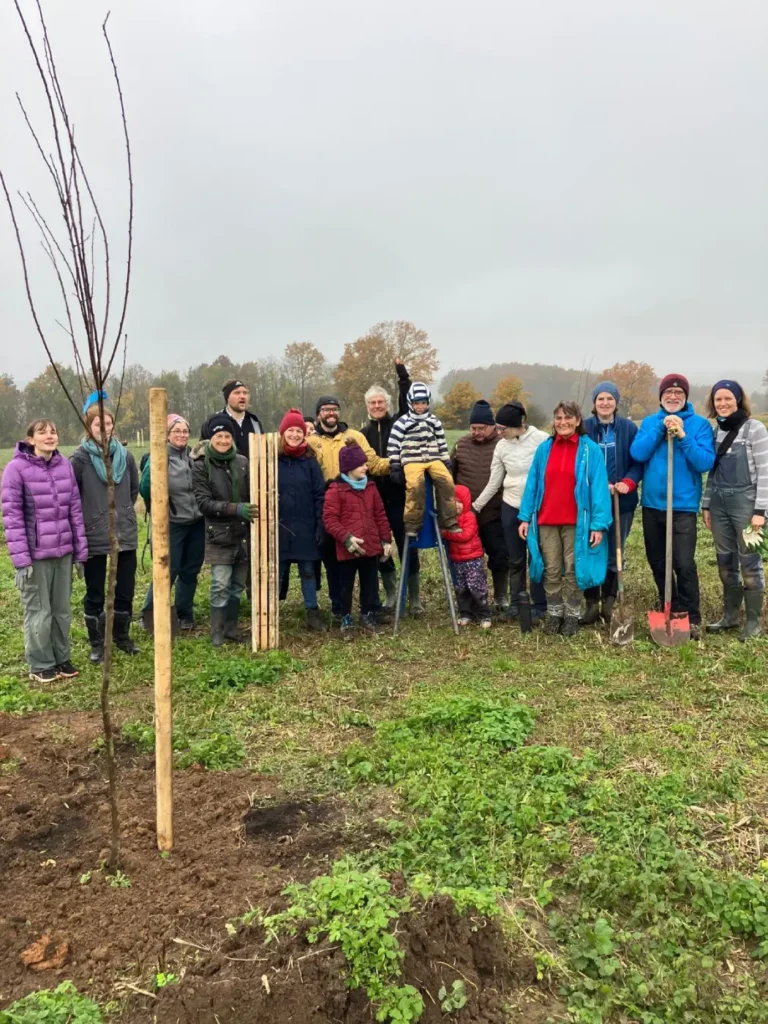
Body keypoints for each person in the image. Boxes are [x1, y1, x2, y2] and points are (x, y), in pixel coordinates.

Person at [2, 419, 88, 682]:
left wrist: (79, 551)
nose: (49, 436)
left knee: (61, 610)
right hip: (35, 555)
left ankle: (62, 658)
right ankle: (40, 663)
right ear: (31, 439)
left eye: (53, 431)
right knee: (39, 611)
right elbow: (12, 516)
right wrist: (21, 560)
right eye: (42, 432)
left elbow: (74, 508)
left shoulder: (65, 466)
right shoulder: (16, 469)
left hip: (63, 552)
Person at [630, 373, 715, 640]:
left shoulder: (699, 425)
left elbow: (704, 463)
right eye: (668, 393)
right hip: (653, 504)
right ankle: (672, 608)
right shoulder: (649, 422)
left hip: (683, 506)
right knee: (657, 560)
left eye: (679, 393)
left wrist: (682, 435)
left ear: (686, 397)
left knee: (683, 562)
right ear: (661, 396)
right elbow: (638, 453)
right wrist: (659, 430)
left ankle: (692, 616)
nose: (673, 397)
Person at [518, 401, 611, 637]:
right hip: (547, 519)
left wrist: (598, 524)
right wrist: (525, 516)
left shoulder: (590, 450)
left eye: (568, 417)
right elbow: (533, 484)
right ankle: (554, 613)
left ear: (578, 420)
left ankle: (571, 615)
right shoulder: (544, 449)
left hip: (576, 522)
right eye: (558, 418)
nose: (563, 422)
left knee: (572, 569)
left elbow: (599, 489)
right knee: (551, 568)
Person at [308, 395, 390, 619]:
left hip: (358, 499)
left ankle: (371, 607)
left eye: (334, 409)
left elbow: (372, 462)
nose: (331, 413)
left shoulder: (354, 436)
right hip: (328, 504)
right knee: (334, 561)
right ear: (319, 414)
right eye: (326, 409)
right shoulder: (311, 441)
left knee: (366, 560)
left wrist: (397, 464)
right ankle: (340, 608)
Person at [71, 406, 140, 662]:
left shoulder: (125, 456)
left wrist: (122, 512)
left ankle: (121, 637)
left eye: (108, 423)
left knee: (125, 588)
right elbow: (73, 497)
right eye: (99, 424)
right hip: (94, 534)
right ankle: (97, 643)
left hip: (125, 532)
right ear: (89, 427)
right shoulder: (79, 460)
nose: (105, 428)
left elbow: (133, 489)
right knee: (95, 591)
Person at [702, 380, 768, 641]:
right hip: (719, 505)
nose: (723, 403)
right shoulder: (715, 431)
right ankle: (730, 617)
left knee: (750, 562)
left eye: (728, 398)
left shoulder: (755, 429)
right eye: (718, 399)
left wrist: (760, 511)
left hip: (748, 505)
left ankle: (753, 622)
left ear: (739, 400)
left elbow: (765, 472)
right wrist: (706, 504)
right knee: (725, 561)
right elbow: (712, 472)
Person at [472, 402, 549, 622]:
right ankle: (516, 603)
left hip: (536, 508)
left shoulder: (541, 440)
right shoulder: (502, 446)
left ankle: (539, 604)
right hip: (511, 506)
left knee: (536, 557)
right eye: (497, 427)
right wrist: (475, 507)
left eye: (503, 428)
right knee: (515, 558)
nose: (498, 432)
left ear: (519, 425)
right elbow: (494, 481)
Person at [362, 361, 423, 616]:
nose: (377, 406)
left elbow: (405, 401)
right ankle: (390, 595)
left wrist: (402, 377)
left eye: (380, 402)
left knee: (408, 544)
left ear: (387, 405)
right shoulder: (362, 434)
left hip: (400, 497)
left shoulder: (399, 423)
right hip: (375, 500)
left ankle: (415, 599)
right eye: (372, 403)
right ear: (367, 407)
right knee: (381, 549)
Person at [191, 415, 255, 646]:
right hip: (218, 534)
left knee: (237, 584)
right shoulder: (201, 465)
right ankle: (216, 632)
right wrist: (236, 508)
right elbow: (204, 504)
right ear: (211, 438)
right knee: (220, 583)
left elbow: (252, 493)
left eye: (227, 436)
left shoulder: (242, 462)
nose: (224, 440)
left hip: (242, 534)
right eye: (219, 436)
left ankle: (231, 629)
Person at [582, 381, 643, 624]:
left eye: (609, 398)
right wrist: (597, 485)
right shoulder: (584, 427)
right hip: (591, 500)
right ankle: (590, 603)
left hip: (622, 500)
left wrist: (629, 481)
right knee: (591, 549)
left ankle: (609, 602)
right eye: (600, 399)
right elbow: (580, 463)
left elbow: (638, 461)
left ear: (616, 402)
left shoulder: (628, 428)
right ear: (594, 403)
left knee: (615, 551)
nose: (605, 403)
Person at [138, 414, 205, 632]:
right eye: (176, 431)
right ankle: (149, 613)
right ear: (167, 435)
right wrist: (160, 510)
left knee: (190, 570)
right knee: (168, 569)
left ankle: (184, 614)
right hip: (173, 523)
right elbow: (145, 488)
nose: (181, 435)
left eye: (185, 431)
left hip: (196, 522)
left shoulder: (193, 456)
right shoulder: (159, 457)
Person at [322, 440, 393, 638]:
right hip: (348, 549)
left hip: (370, 546)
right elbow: (329, 520)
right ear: (349, 467)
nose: (366, 467)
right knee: (345, 584)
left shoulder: (370, 487)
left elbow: (380, 514)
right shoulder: (335, 490)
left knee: (369, 583)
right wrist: (346, 539)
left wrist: (385, 540)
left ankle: (366, 614)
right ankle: (346, 618)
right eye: (361, 464)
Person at [276, 409, 326, 632]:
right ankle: (271, 611)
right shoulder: (273, 460)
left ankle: (312, 611)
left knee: (308, 570)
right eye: (291, 430)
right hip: (280, 525)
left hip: (306, 524)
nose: (295, 434)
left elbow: (319, 494)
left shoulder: (310, 461)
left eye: (299, 430)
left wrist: (320, 524)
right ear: (282, 433)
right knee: (278, 569)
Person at [387, 382, 459, 536]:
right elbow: (393, 444)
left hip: (433, 458)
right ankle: (412, 523)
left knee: (447, 482)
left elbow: (441, 442)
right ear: (410, 403)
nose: (420, 406)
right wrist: (394, 465)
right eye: (416, 403)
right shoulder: (402, 422)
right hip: (411, 460)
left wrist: (446, 461)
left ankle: (449, 520)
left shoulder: (434, 421)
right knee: (415, 486)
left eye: (423, 403)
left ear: (428, 402)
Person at [442, 484, 492, 629]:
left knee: (476, 586)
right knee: (461, 588)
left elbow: (465, 535)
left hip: (473, 559)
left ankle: (484, 614)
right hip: (458, 560)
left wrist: (446, 533)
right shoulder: (449, 519)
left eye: (459, 502)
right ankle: (466, 613)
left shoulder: (469, 517)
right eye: (453, 502)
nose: (456, 506)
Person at [200, 378, 263, 458]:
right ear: (227, 397)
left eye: (245, 393)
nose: (242, 396)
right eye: (237, 393)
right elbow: (202, 453)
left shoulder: (255, 422)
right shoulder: (213, 422)